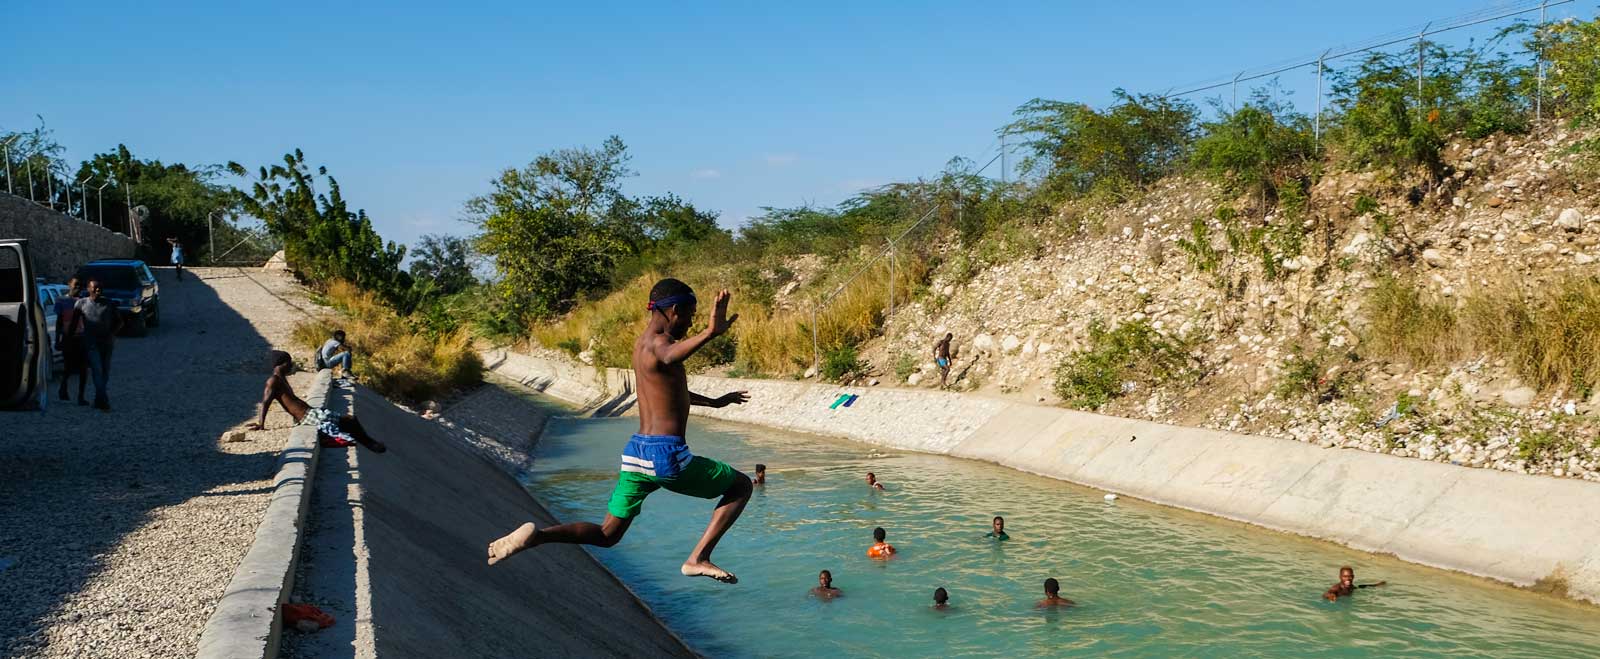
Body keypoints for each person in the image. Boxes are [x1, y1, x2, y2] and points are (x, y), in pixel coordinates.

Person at [487, 279, 753, 584]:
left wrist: (716, 402)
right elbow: (669, 355)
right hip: (665, 455)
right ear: (674, 310)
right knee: (741, 486)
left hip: (636, 454)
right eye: (690, 315)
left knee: (606, 534)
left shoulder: (641, 345)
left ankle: (537, 537)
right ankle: (698, 558)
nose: (691, 321)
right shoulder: (660, 344)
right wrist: (710, 333)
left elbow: (670, 390)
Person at [248, 350, 387, 453]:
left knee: (349, 421)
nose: (291, 365)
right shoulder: (274, 381)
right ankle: (371, 445)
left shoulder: (281, 378)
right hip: (307, 416)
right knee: (349, 421)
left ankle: (370, 443)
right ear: (282, 364)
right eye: (289, 362)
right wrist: (261, 424)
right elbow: (266, 402)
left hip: (311, 412)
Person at [73, 279, 123, 411]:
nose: (98, 290)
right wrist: (68, 339)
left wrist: (112, 334)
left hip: (106, 343)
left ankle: (98, 398)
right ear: (88, 289)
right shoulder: (81, 304)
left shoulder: (109, 304)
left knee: (105, 372)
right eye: (95, 288)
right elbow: (73, 324)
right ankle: (103, 400)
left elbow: (119, 322)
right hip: (91, 344)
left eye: (100, 288)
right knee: (97, 370)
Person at [54, 277, 88, 404]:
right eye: (76, 285)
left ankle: (81, 396)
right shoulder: (61, 300)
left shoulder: (85, 301)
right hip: (68, 338)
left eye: (80, 286)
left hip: (82, 337)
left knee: (83, 368)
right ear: (69, 285)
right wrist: (58, 340)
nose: (78, 288)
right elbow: (58, 322)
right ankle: (63, 387)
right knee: (68, 367)